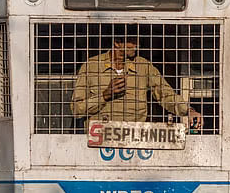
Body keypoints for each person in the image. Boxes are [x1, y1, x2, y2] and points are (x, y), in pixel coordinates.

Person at [70, 26, 203, 129]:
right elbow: (76, 109)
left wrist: (188, 111)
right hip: (100, 142)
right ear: (117, 42)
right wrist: (104, 96)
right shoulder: (91, 66)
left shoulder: (143, 66)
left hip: (134, 140)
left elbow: (165, 94)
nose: (137, 45)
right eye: (132, 41)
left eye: (137, 41)